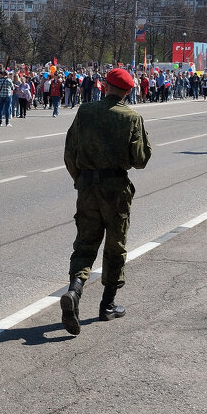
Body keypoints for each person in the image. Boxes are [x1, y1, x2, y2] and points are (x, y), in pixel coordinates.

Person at [60, 68, 150, 336]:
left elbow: (69, 152)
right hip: (115, 188)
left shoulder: (85, 111)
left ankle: (74, 292)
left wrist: (81, 180)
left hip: (87, 186)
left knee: (85, 244)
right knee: (115, 245)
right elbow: (141, 160)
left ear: (104, 86)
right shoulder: (132, 118)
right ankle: (107, 305)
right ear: (128, 91)